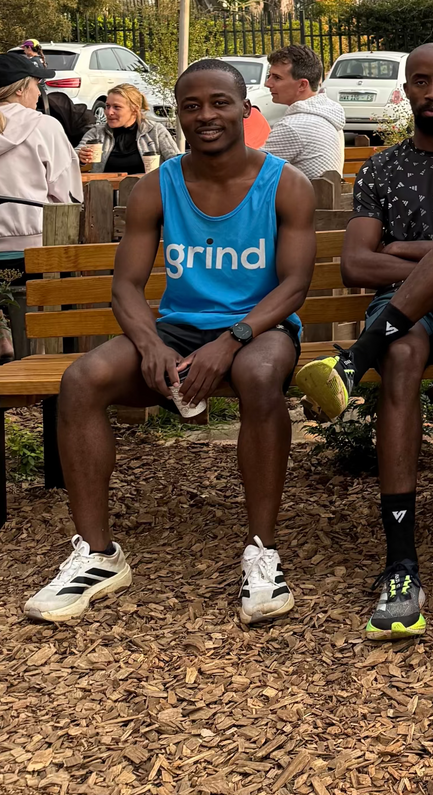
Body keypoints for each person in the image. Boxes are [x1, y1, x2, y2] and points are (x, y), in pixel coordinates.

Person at [22, 59, 316, 625]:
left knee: (258, 376)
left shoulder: (285, 183)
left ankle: (262, 552)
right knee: (81, 380)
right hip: (178, 327)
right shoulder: (159, 184)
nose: (206, 115)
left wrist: (230, 340)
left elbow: (294, 285)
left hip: (259, 326)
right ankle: (98, 556)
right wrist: (151, 344)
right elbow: (126, 286)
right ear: (176, 115)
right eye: (191, 105)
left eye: (220, 103)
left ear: (245, 108)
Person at [293, 44, 433, 639]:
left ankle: (352, 361)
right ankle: (401, 563)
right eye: (421, 81)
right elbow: (356, 264)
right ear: (405, 89)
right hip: (405, 316)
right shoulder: (382, 169)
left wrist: (404, 249)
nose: (432, 92)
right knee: (403, 353)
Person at [0, 51, 82, 364]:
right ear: (19, 89)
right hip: (33, 258)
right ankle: (51, 357)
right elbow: (67, 199)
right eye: (36, 84)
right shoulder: (45, 127)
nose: (39, 92)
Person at [263, 43, 345, 181]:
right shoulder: (327, 116)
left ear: (302, 85)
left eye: (277, 78)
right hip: (325, 194)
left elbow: (251, 172)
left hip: (303, 195)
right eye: (269, 76)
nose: (268, 83)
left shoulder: (293, 126)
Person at [76, 83, 181, 174]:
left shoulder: (154, 131)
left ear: (134, 109)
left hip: (148, 190)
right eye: (107, 106)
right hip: (103, 190)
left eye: (116, 107)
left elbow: (177, 162)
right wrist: (81, 157)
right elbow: (72, 157)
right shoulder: (97, 133)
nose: (109, 112)